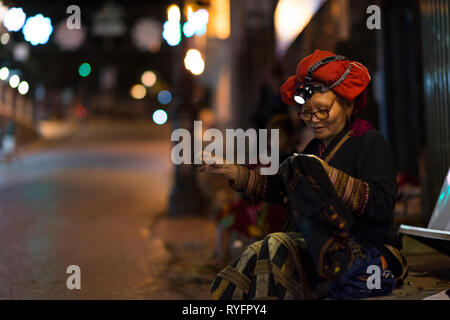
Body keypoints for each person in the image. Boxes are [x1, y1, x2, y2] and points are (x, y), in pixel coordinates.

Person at [198, 49, 408, 300]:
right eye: (307, 113)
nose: (314, 120)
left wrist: (325, 175)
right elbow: (280, 188)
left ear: (348, 104)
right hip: (323, 246)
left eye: (322, 110)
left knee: (276, 246)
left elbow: (381, 205)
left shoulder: (370, 143)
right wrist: (235, 172)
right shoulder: (313, 150)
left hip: (371, 251)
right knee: (257, 252)